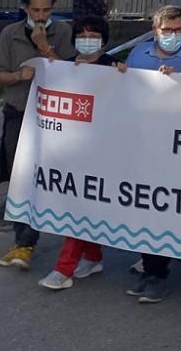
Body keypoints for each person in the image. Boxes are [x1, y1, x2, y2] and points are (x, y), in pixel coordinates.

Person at [123, 6, 181, 301]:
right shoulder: (138, 53)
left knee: (161, 210)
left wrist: (177, 83)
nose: (173, 36)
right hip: (139, 142)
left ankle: (157, 273)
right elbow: (124, 89)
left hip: (174, 148)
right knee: (144, 207)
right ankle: (150, 264)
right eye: (167, 30)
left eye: (178, 31)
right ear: (155, 29)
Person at [37, 16, 127, 289]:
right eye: (83, 34)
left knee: (78, 205)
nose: (88, 39)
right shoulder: (69, 65)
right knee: (83, 204)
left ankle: (64, 269)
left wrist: (123, 73)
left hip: (101, 149)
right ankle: (93, 255)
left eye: (94, 34)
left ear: (103, 38)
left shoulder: (112, 66)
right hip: (71, 148)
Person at [0, 0, 74, 270]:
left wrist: (45, 48)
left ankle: (75, 240)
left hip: (52, 115)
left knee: (49, 178)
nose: (40, 16)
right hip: (18, 112)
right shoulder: (10, 33)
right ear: (26, 8)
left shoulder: (63, 32)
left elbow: (72, 72)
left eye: (46, 10)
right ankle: (23, 242)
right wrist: (18, 75)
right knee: (20, 177)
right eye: (35, 10)